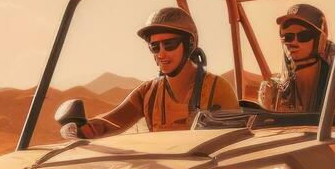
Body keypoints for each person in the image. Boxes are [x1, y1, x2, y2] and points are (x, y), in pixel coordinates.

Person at [63, 7, 237, 138]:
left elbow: (235, 140)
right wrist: (83, 128)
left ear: (189, 44)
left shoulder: (217, 88)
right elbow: (113, 121)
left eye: (169, 45)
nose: (161, 54)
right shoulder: (148, 92)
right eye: (154, 47)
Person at [256, 3, 335, 122]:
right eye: (288, 37)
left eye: (303, 36)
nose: (293, 43)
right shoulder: (277, 90)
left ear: (320, 40)